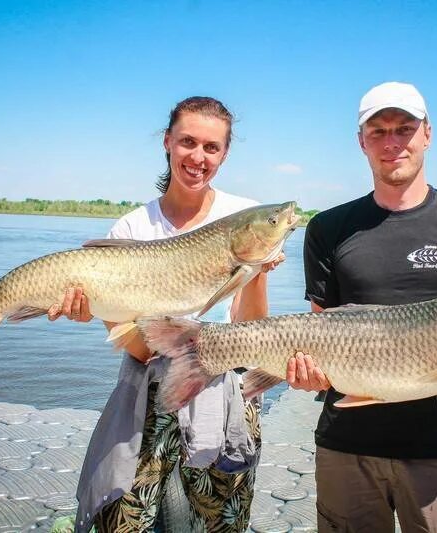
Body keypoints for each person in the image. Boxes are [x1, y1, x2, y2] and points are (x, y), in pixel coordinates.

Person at [287, 82, 437, 532]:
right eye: (378, 131)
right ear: (361, 141)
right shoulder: (328, 228)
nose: (392, 142)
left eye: (404, 128)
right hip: (346, 447)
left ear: (427, 134)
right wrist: (309, 373)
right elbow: (321, 331)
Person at [49, 96, 282, 532]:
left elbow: (250, 331)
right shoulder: (132, 228)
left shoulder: (246, 217)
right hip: (147, 388)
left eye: (211, 147)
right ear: (167, 142)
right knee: (123, 520)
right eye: (187, 142)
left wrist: (257, 272)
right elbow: (136, 349)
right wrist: (95, 308)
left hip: (225, 389)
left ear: (225, 153)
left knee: (220, 523)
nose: (198, 157)